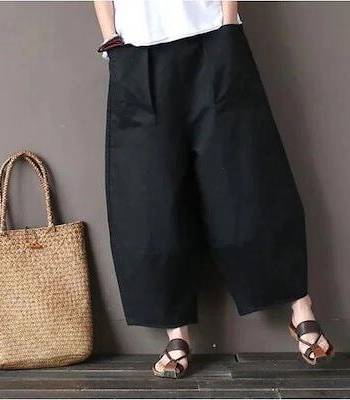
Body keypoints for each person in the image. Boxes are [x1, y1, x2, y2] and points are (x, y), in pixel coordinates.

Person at [94, 0, 334, 379]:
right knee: (151, 199)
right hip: (136, 53)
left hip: (212, 39)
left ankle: (301, 307)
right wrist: (111, 38)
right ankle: (176, 332)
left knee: (249, 180)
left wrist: (228, 23)